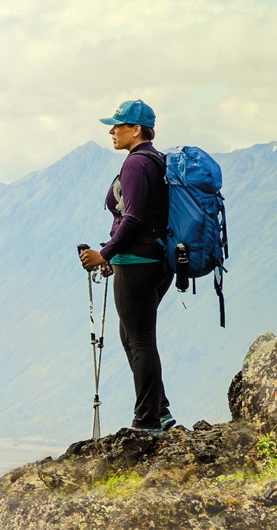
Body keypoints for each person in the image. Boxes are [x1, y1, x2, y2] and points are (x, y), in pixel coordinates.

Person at [77, 99, 176, 433]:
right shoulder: (157, 162)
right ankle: (159, 410)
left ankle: (147, 420)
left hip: (138, 262)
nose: (112, 131)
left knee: (140, 339)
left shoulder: (136, 164)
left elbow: (132, 217)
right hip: (156, 262)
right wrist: (113, 257)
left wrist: (104, 254)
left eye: (118, 125)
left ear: (136, 130)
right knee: (132, 335)